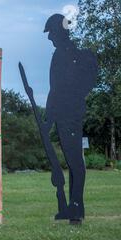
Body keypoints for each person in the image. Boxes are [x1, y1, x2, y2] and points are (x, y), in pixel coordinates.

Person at [44, 14, 97, 222]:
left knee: (75, 162)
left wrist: (52, 114)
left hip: (70, 115)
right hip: (63, 114)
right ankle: (72, 208)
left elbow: (61, 89)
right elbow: (54, 89)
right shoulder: (61, 54)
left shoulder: (69, 55)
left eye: (52, 33)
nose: (50, 38)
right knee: (72, 160)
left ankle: (76, 208)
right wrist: (48, 116)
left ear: (60, 31)